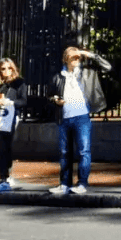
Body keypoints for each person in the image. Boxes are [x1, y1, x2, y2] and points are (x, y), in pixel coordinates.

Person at [49, 46, 111, 195]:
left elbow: (107, 67)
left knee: (84, 151)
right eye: (72, 57)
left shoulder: (87, 73)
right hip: (64, 118)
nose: (76, 59)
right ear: (65, 59)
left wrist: (87, 54)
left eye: (78, 57)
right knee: (64, 152)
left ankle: (82, 183)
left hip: (82, 117)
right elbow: (50, 95)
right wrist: (55, 99)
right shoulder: (58, 76)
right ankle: (64, 184)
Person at [0, 57, 26, 192]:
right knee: (0, 147)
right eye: (3, 69)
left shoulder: (18, 83)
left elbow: (23, 101)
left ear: (13, 69)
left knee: (5, 146)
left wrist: (10, 102)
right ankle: (4, 177)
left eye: (9, 68)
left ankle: (6, 176)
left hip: (11, 117)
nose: (7, 71)